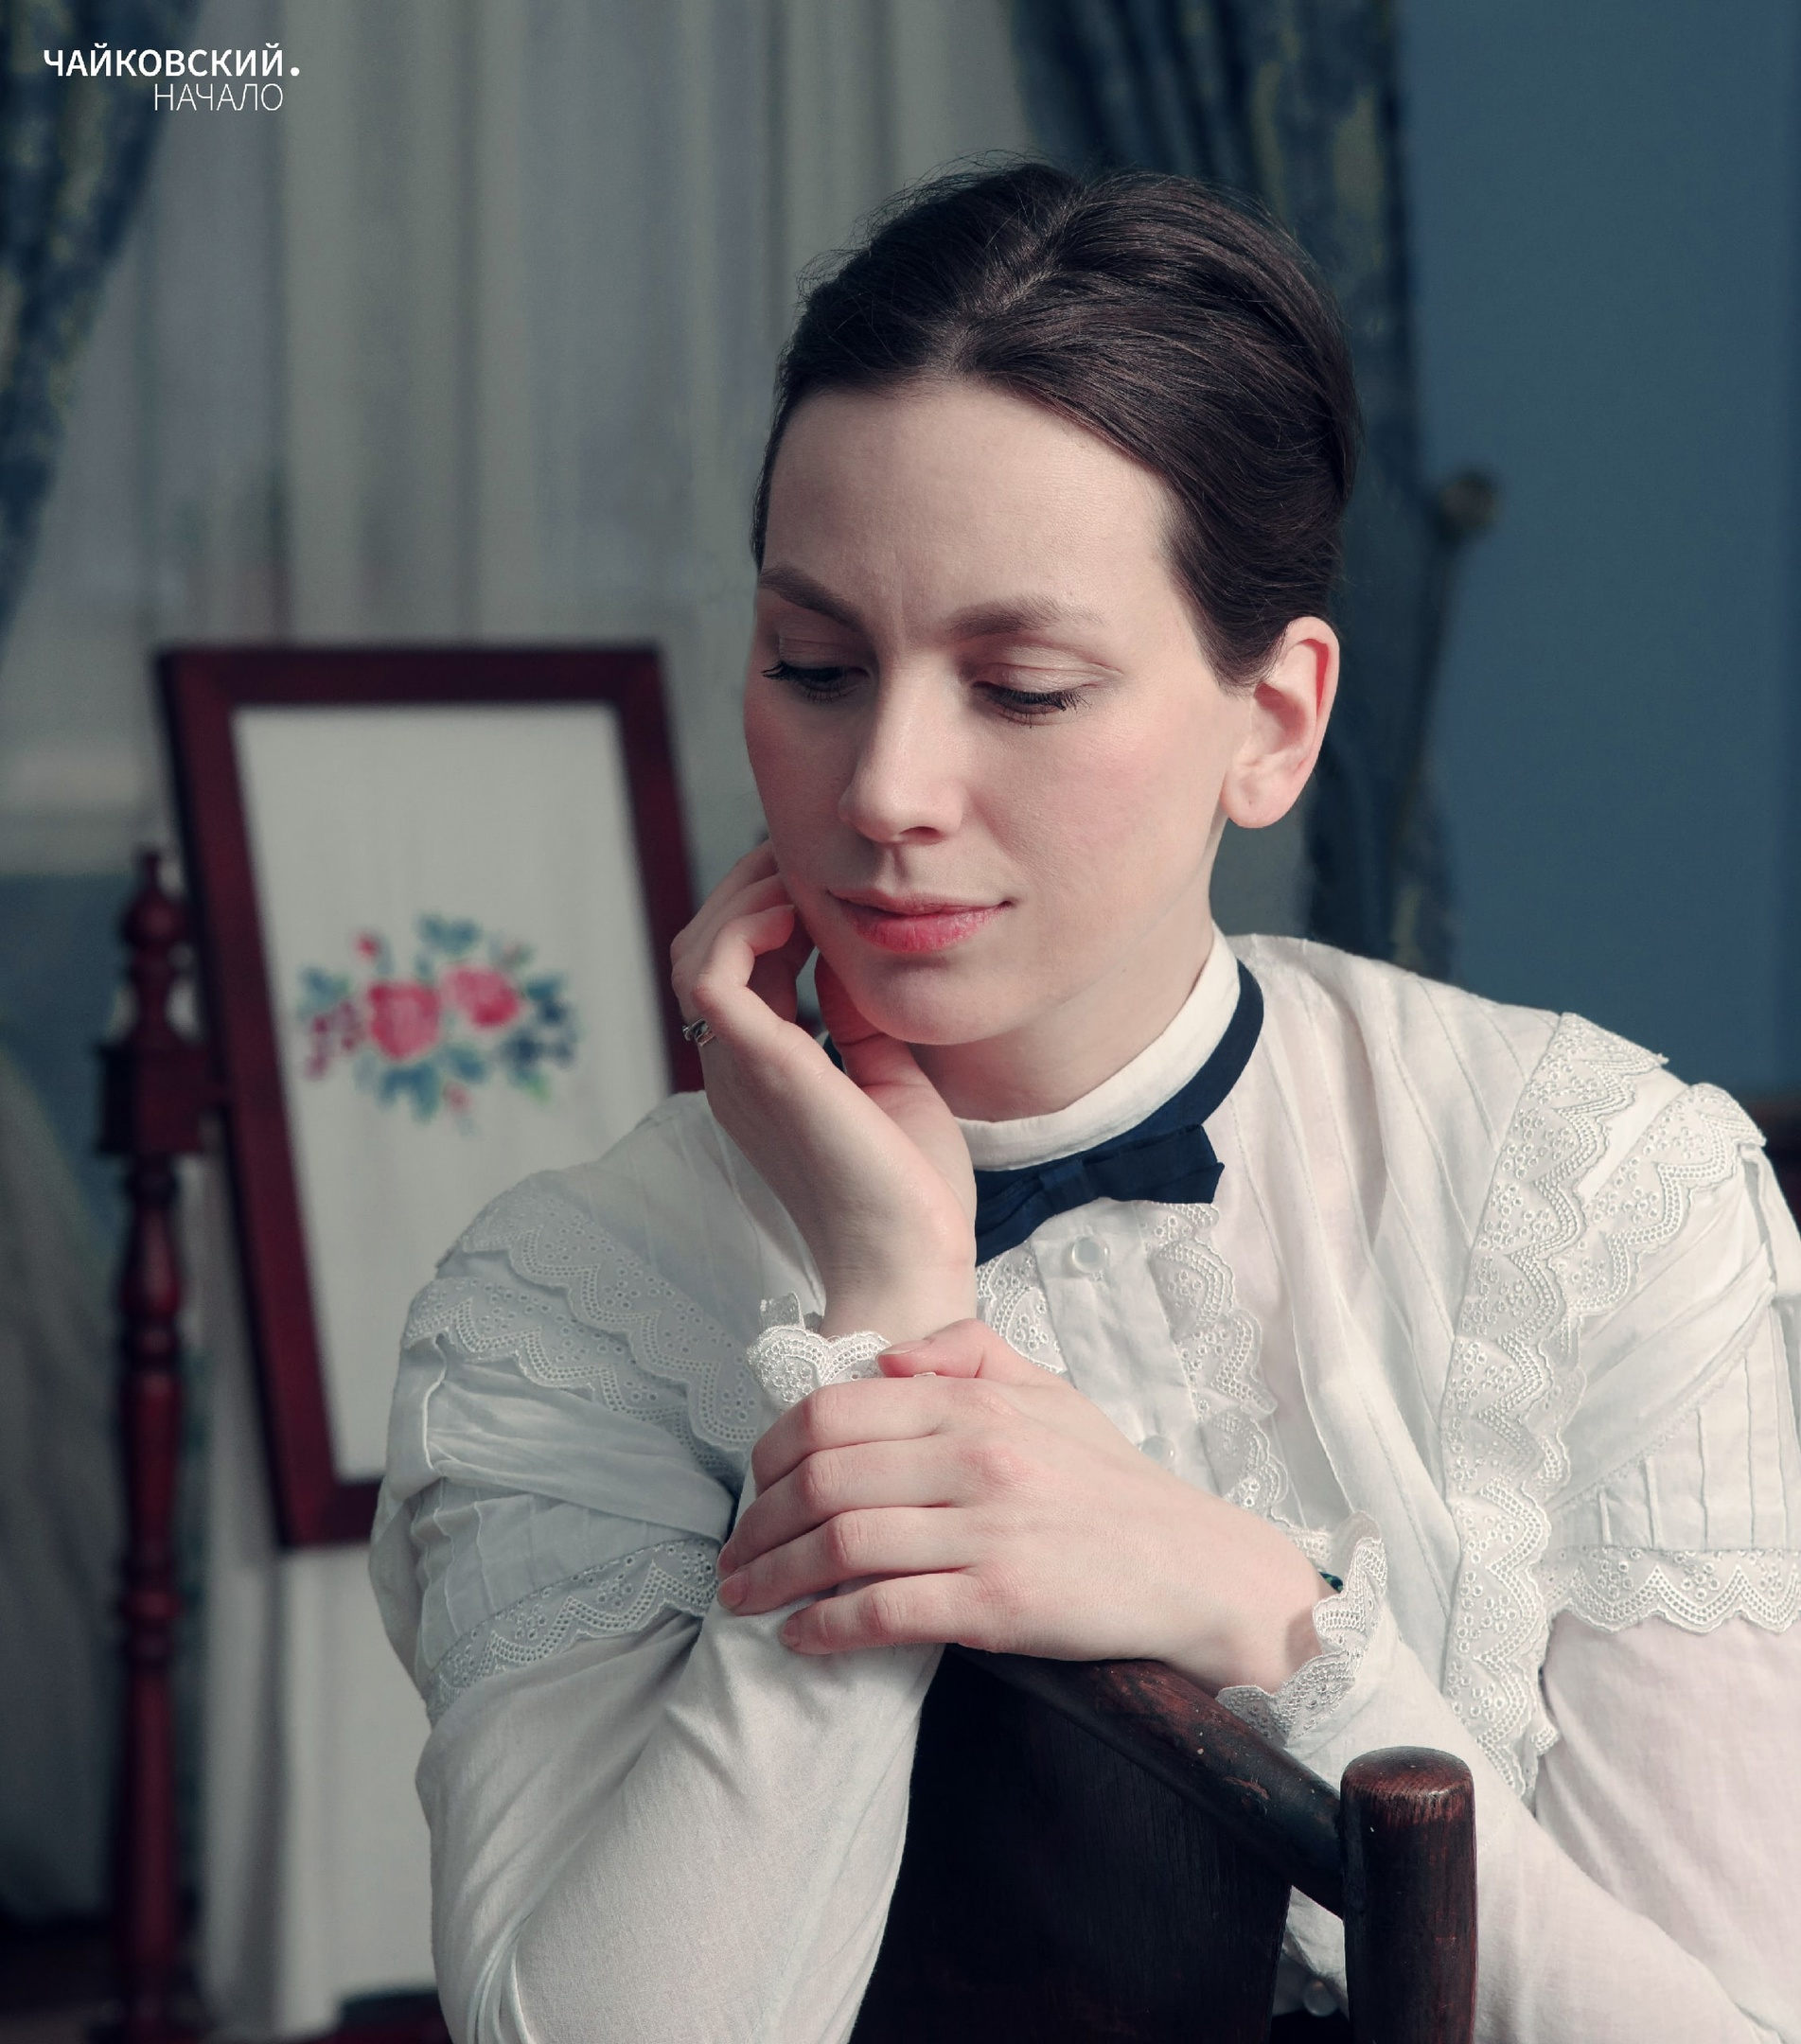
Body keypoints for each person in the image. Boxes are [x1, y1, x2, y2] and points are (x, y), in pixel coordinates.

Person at [370, 165, 1801, 2043]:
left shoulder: (1592, 1187)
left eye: (1024, 687)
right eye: (814, 665)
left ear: (1273, 724)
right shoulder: (569, 1301)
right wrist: (887, 1348)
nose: (885, 788)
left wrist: (1265, 1617)